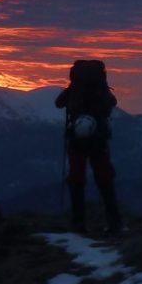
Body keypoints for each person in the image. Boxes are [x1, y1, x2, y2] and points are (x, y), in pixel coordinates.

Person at [55, 59, 121, 236]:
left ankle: (79, 223)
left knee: (77, 178)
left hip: (76, 140)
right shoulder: (101, 90)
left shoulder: (74, 89)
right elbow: (112, 103)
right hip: (99, 140)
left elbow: (59, 103)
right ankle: (114, 222)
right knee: (105, 177)